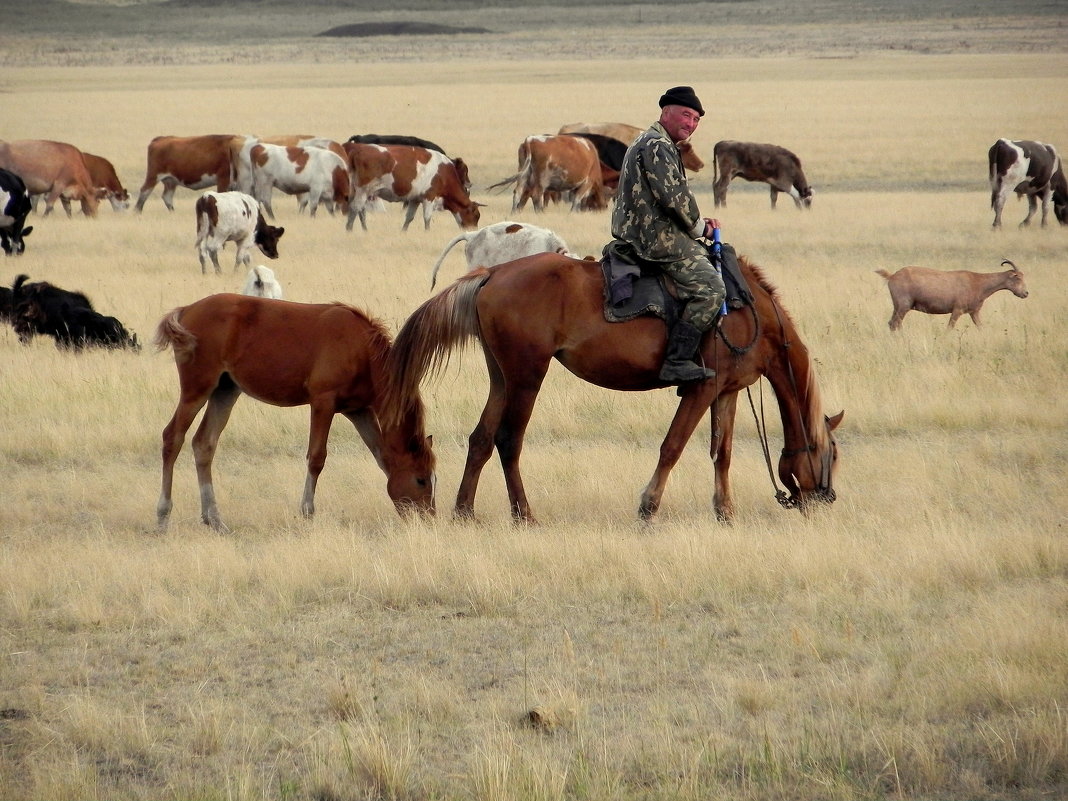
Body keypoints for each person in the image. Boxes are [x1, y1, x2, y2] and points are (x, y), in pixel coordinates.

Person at [611, 85, 726, 384]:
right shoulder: (658, 146)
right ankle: (677, 360)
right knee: (712, 289)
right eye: (686, 115)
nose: (691, 123)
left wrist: (699, 222)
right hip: (656, 238)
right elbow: (674, 199)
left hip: (645, 231)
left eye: (697, 119)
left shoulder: (651, 141)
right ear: (665, 112)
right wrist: (701, 229)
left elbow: (677, 197)